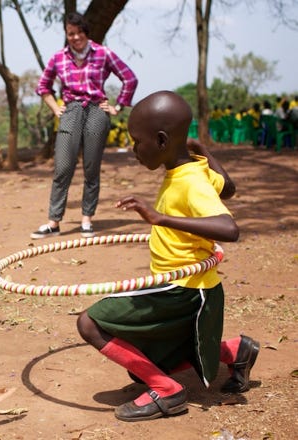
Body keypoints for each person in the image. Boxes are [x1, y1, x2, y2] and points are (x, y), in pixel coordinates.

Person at [76, 90, 259, 422]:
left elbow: (228, 228)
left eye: (137, 142)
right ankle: (236, 351)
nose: (133, 150)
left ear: (161, 140)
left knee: (89, 323)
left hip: (183, 288)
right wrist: (203, 151)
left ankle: (166, 391)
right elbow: (227, 188)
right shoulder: (192, 169)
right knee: (159, 350)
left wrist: (159, 219)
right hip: (187, 285)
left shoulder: (190, 181)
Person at [31, 11, 138, 240]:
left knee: (91, 168)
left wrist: (118, 107)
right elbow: (43, 86)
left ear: (86, 33)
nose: (75, 37)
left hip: (96, 111)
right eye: (71, 33)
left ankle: (87, 220)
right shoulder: (58, 57)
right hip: (71, 110)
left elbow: (129, 78)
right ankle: (54, 222)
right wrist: (54, 107)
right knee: (63, 166)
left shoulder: (103, 53)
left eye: (79, 32)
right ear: (66, 35)